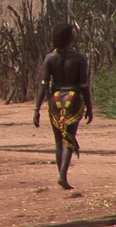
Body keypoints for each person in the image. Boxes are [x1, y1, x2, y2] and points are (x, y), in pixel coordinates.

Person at [33, 23, 93, 190]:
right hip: (73, 98)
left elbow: (43, 85)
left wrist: (37, 109)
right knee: (70, 138)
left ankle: (62, 175)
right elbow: (84, 85)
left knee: (59, 141)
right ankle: (63, 176)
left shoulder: (50, 58)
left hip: (56, 99)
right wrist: (89, 106)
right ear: (70, 38)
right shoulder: (79, 58)